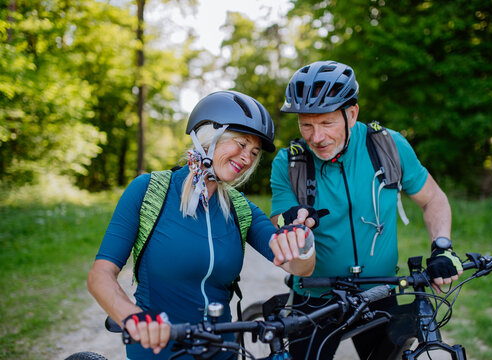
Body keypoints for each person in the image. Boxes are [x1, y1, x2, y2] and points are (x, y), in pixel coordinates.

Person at [87, 90, 316, 360]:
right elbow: (100, 276)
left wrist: (302, 244)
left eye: (254, 152)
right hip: (159, 351)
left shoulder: (240, 209)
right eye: (241, 144)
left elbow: (297, 266)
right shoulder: (149, 191)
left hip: (224, 353)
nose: (247, 157)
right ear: (208, 137)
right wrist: (133, 319)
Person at [270, 60, 463, 359]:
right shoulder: (290, 162)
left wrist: (442, 246)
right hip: (314, 296)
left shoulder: (387, 146)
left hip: (381, 292)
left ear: (352, 113)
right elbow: (278, 218)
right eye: (306, 124)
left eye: (326, 123)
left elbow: (433, 199)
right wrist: (290, 219)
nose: (316, 137)